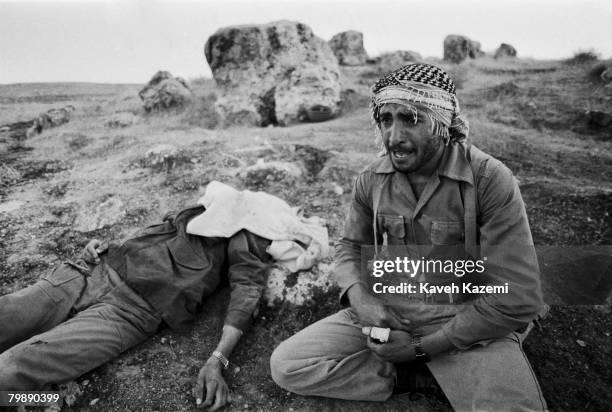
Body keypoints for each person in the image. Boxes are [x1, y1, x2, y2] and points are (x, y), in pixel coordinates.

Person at [270, 63, 549, 411]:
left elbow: (518, 298)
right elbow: (350, 248)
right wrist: (362, 300)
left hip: (464, 322)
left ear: (441, 123)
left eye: (410, 119)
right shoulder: (371, 179)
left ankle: (432, 365)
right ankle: (414, 378)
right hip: (394, 310)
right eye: (386, 120)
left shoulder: (490, 179)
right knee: (289, 365)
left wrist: (421, 347)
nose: (394, 136)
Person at [0, 204, 272, 411]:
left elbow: (245, 294)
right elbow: (145, 238)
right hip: (87, 275)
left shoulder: (241, 232)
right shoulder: (195, 211)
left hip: (127, 312)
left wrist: (218, 360)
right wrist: (99, 248)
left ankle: (44, 399)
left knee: (11, 369)